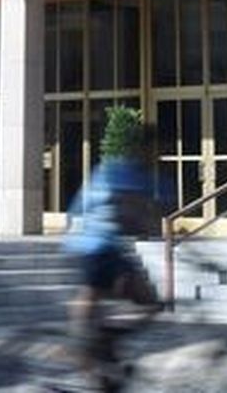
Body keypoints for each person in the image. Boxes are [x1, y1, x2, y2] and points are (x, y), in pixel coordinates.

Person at [62, 132, 163, 387]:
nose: (155, 156)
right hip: (96, 246)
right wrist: (148, 224)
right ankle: (87, 348)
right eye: (153, 150)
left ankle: (99, 343)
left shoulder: (122, 171)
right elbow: (129, 213)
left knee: (149, 302)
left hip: (103, 246)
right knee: (133, 298)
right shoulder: (122, 172)